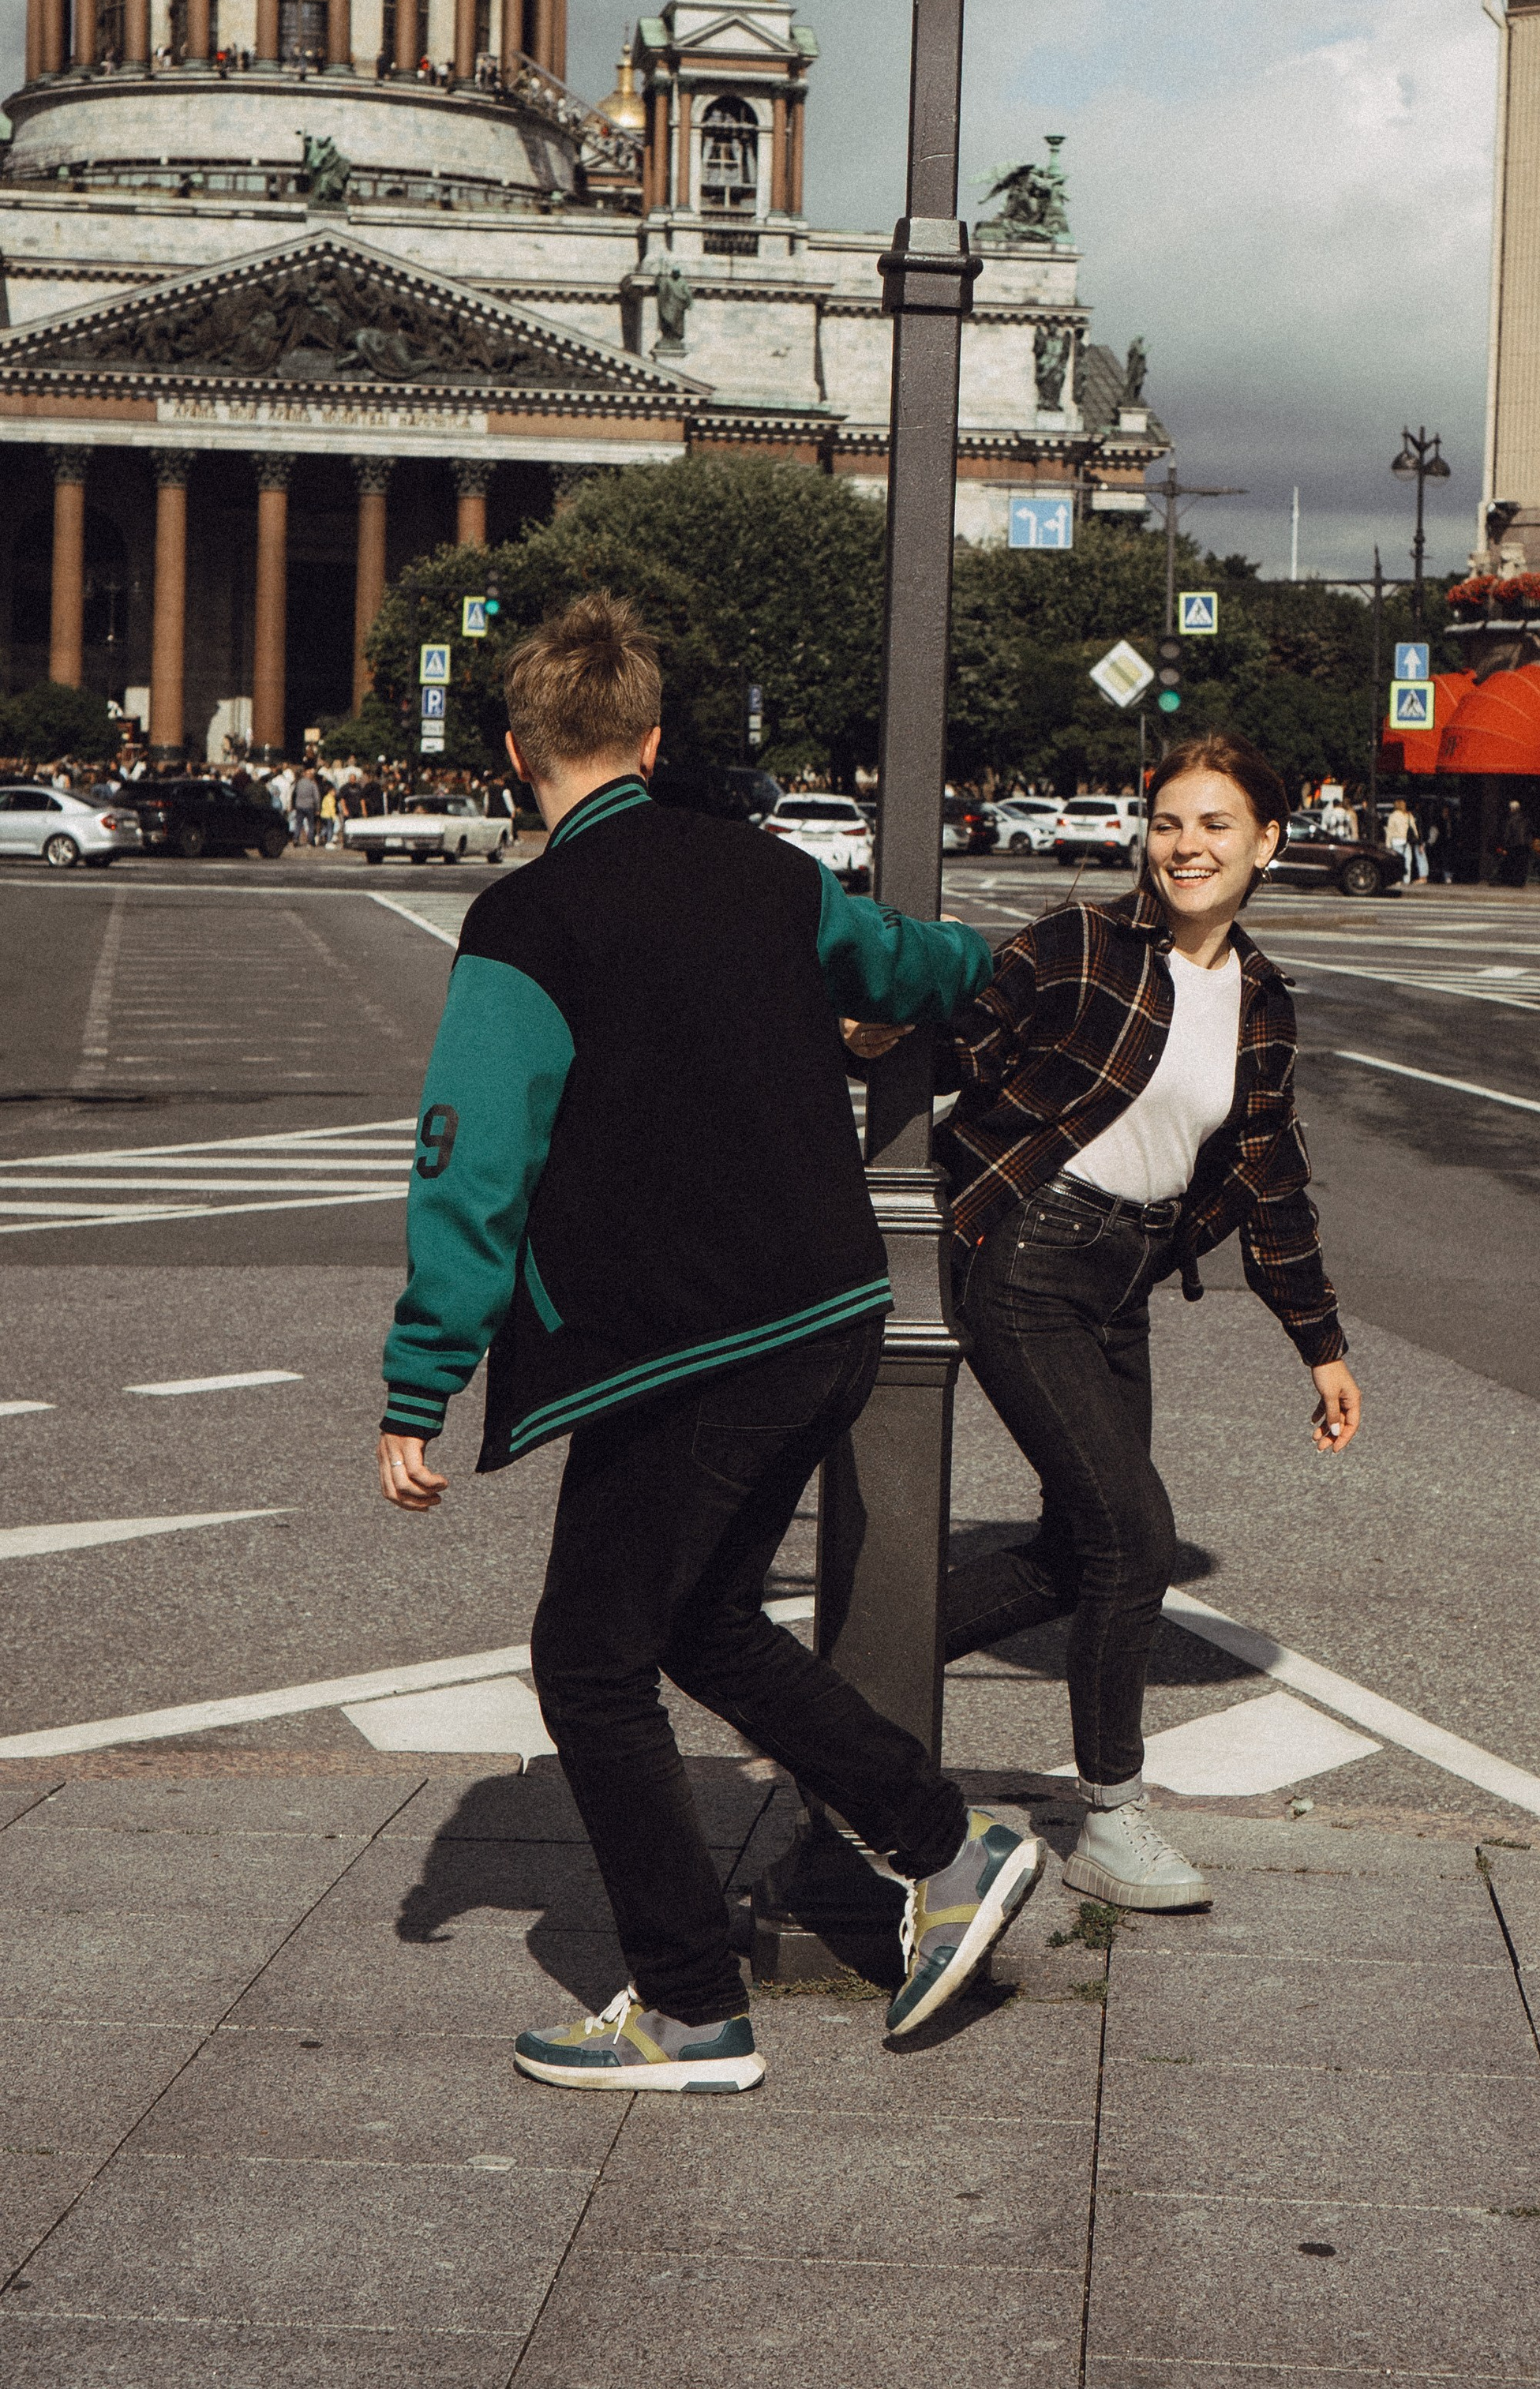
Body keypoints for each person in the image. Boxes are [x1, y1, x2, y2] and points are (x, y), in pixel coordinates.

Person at [375, 594, 1042, 2087]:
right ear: (656, 741)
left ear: (512, 753)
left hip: (675, 1341)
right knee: (701, 1621)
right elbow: (907, 965)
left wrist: (422, 1380)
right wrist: (993, 976)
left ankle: (690, 2006)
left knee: (588, 1664)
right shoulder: (764, 872)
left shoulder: (528, 919)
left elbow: (469, 1160)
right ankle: (946, 1848)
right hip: (823, 1310)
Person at [933, 734, 1360, 1915]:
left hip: (1122, 1278)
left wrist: (1319, 1343)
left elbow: (1270, 1179)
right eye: (1170, 822)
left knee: (1084, 1552)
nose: (1188, 847)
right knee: (1137, 1537)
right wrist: (876, 1026)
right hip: (1028, 1257)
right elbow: (964, 1025)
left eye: (1217, 825)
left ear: (1267, 842)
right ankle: (1113, 1822)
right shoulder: (1081, 946)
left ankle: (863, 1661)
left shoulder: (1262, 1000)